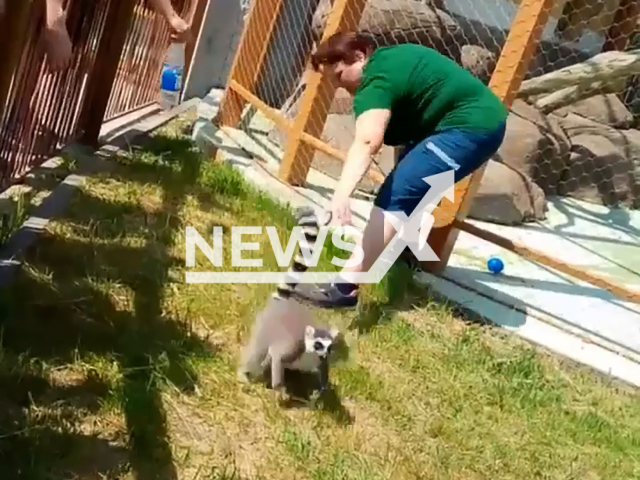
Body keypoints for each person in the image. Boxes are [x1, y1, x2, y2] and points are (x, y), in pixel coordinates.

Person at [292, 32, 508, 309]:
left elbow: (368, 141)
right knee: (406, 186)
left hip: (470, 129)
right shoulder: (391, 58)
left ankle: (344, 288)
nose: (337, 85)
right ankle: (404, 251)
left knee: (397, 194)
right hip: (462, 122)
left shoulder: (375, 81)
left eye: (339, 74)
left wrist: (340, 197)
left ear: (359, 57)